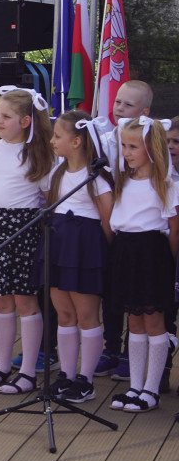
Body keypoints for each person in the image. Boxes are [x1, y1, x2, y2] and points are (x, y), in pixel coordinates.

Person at [0, 87, 54, 393]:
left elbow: (47, 199)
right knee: (1, 301)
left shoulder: (39, 154)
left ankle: (28, 371)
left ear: (27, 121)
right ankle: (2, 366)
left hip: (23, 232)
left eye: (6, 116)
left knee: (25, 301)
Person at [34, 111, 114, 403]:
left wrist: (101, 255)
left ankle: (86, 380)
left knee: (86, 315)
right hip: (58, 245)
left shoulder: (97, 179)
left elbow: (107, 221)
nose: (53, 140)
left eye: (58, 136)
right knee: (64, 314)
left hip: (85, 251)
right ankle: (67, 375)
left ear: (77, 141)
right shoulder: (58, 174)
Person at [107, 117, 179, 413]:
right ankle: (135, 386)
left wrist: (168, 263)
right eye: (124, 145)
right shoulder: (122, 181)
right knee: (133, 320)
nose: (126, 151)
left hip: (152, 254)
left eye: (133, 146)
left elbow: (174, 230)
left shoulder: (166, 184)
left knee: (153, 321)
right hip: (125, 250)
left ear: (153, 148)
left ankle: (152, 389)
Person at [94, 79, 155, 381]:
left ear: (144, 112)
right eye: (118, 102)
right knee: (113, 295)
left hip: (143, 235)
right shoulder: (107, 138)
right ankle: (111, 348)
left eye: (127, 105)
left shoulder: (150, 144)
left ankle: (136, 356)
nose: (119, 108)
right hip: (114, 225)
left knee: (141, 299)